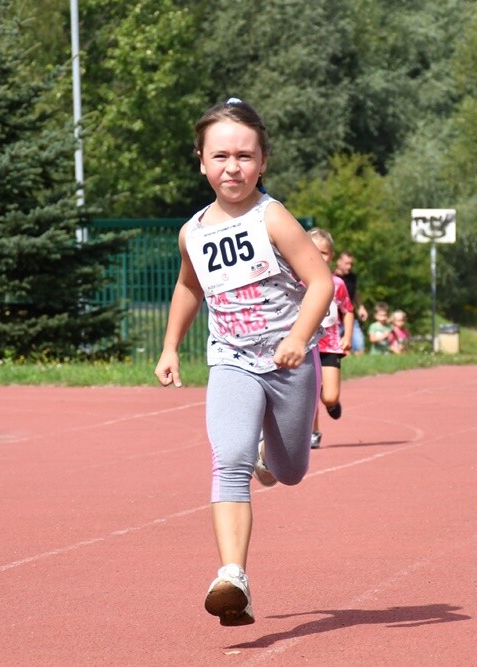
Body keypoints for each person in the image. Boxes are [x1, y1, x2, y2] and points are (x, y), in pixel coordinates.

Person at [154, 98, 333, 627]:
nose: (233, 167)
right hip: (231, 360)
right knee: (227, 458)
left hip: (289, 362)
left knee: (291, 471)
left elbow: (320, 281)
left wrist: (301, 337)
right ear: (201, 161)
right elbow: (189, 287)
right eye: (221, 156)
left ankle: (270, 458)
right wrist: (169, 346)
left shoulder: (271, 216)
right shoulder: (192, 232)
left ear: (263, 161)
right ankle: (233, 577)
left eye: (245, 156)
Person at [307, 228, 354, 448]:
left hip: (331, 345)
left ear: (331, 256)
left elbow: (348, 310)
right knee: (310, 391)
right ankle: (313, 432)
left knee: (329, 396)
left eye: (324, 253)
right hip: (307, 344)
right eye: (314, 252)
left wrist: (348, 336)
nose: (319, 257)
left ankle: (332, 403)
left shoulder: (338, 284)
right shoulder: (298, 281)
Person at [334, 250, 368, 353]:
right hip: (335, 319)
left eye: (351, 264)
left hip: (350, 316)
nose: (349, 267)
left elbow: (355, 292)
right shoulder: (332, 277)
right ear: (339, 262)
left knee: (360, 346)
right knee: (338, 349)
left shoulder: (352, 277)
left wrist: (361, 307)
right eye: (346, 263)